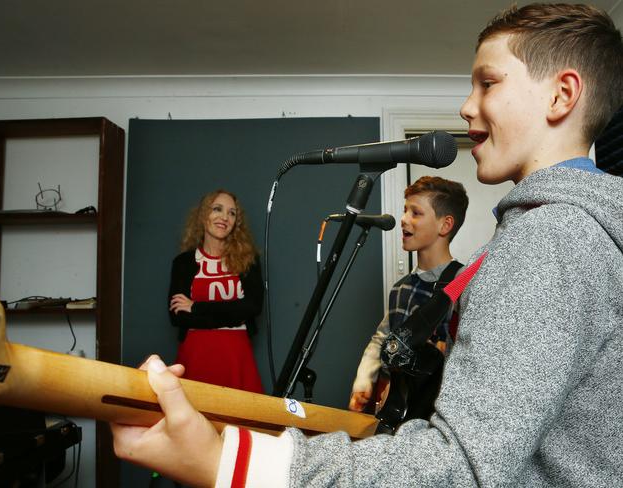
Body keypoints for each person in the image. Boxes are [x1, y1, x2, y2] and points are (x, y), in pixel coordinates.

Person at [111, 4, 623, 486]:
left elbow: (460, 467)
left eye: (488, 83)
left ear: (561, 95)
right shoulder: (559, 233)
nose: (466, 106)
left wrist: (229, 462)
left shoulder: (549, 239)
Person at [348, 176, 468, 414]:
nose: (403, 219)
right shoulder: (400, 288)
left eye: (416, 212)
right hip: (396, 405)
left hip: (436, 410)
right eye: (405, 210)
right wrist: (365, 378)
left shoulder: (464, 282)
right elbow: (382, 338)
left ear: (445, 225)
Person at [167, 189, 264, 393]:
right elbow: (178, 317)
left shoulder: (248, 260)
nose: (224, 217)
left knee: (240, 419)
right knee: (192, 420)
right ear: (203, 215)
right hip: (195, 357)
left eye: (232, 213)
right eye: (217, 209)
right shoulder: (183, 263)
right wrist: (233, 316)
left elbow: (252, 307)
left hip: (236, 356)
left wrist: (196, 307)